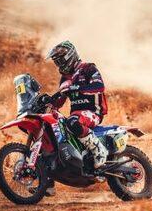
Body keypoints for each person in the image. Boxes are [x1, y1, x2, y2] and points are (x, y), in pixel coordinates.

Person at [46, 41, 109, 171]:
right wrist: (49, 102)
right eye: (56, 62)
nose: (58, 64)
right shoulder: (65, 78)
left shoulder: (88, 68)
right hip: (77, 114)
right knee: (55, 126)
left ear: (69, 56)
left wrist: (78, 88)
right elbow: (60, 101)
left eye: (60, 60)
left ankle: (99, 150)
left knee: (72, 122)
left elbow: (99, 86)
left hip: (93, 112)